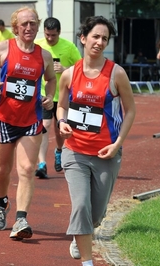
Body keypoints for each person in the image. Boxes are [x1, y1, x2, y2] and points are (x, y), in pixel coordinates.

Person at [57, 16, 136, 266]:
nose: (100, 42)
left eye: (105, 38)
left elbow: (130, 110)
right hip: (76, 151)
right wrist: (62, 122)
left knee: (97, 213)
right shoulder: (69, 75)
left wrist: (117, 144)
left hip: (106, 153)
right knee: (81, 205)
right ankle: (88, 262)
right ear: (83, 38)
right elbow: (61, 106)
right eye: (95, 36)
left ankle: (82, 233)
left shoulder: (117, 74)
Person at [0, 6, 56, 240]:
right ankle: (2, 205)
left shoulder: (43, 55)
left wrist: (50, 97)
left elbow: (51, 79)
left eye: (33, 23)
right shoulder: (3, 48)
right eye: (24, 24)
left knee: (26, 169)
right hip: (5, 118)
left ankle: (21, 218)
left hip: (31, 120)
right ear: (15, 27)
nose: (29, 28)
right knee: (3, 169)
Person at [33, 17, 81, 179]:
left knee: (60, 128)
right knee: (44, 125)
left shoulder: (69, 47)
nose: (50, 38)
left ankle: (59, 151)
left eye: (53, 35)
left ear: (59, 33)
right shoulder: (38, 45)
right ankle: (42, 164)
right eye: (47, 35)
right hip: (44, 95)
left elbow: (81, 68)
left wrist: (65, 68)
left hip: (63, 96)